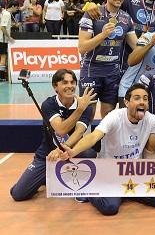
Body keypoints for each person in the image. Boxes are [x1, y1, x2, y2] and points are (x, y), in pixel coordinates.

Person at [54, 83, 155, 215]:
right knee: (110, 208)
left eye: (145, 98)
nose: (142, 101)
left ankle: (124, 193)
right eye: (136, 98)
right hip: (110, 173)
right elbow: (93, 136)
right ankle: (93, 189)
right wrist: (72, 151)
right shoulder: (114, 116)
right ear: (127, 102)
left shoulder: (150, 119)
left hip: (134, 173)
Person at [10, 69, 97, 201]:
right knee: (18, 194)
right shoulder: (49, 104)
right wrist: (80, 109)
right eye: (65, 82)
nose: (70, 86)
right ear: (55, 86)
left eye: (73, 82)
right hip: (48, 154)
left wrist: (63, 148)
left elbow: (79, 132)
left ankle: (77, 180)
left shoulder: (87, 106)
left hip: (72, 152)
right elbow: (61, 129)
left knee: (89, 153)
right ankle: (45, 176)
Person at [78, 0, 137, 121]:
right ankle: (86, 143)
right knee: (87, 115)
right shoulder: (92, 14)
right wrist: (103, 35)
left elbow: (136, 46)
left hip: (113, 73)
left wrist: (152, 42)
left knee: (108, 116)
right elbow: (82, 47)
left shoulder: (126, 18)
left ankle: (105, 144)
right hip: (91, 71)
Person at [0, 2, 17, 81]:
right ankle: (1, 77)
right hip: (2, 39)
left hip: (1, 38)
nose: (16, 9)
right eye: (16, 8)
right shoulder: (7, 14)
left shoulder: (4, 13)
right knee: (3, 57)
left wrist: (13, 25)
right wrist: (9, 37)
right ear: (13, 6)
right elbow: (3, 27)